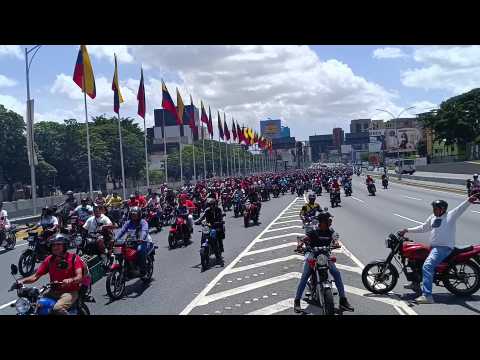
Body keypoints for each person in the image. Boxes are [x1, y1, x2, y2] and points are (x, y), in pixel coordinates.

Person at [399, 195, 480, 304]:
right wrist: (407, 230)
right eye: (434, 208)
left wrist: (469, 200)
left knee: (427, 266)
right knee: (416, 259)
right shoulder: (433, 217)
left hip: (443, 248)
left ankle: (427, 296)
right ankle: (416, 284)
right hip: (433, 247)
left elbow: (460, 208)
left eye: (436, 208)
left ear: (442, 209)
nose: (434, 210)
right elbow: (423, 227)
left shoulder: (450, 216)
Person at [294, 212, 354, 313]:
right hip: (313, 254)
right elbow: (303, 239)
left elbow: (335, 240)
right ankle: (297, 301)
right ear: (322, 222)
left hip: (325, 256)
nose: (330, 222)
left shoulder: (330, 231)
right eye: (328, 220)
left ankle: (343, 301)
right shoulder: (313, 231)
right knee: (304, 276)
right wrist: (300, 245)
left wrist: (336, 243)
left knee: (336, 273)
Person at [16, 234, 84, 315]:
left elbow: (79, 276)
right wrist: (21, 281)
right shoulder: (49, 260)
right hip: (53, 291)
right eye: (53, 245)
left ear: (64, 246)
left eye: (58, 244)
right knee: (36, 306)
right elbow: (35, 276)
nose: (55, 247)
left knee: (57, 309)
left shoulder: (74, 258)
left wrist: (71, 280)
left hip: (70, 291)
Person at [115, 207, 153, 276]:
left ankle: (143, 269)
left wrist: (141, 238)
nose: (134, 216)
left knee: (140, 250)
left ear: (139, 215)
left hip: (144, 241)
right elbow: (122, 231)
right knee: (120, 250)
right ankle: (126, 267)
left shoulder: (143, 222)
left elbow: (144, 231)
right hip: (131, 241)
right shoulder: (128, 223)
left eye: (135, 214)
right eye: (132, 214)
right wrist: (115, 239)